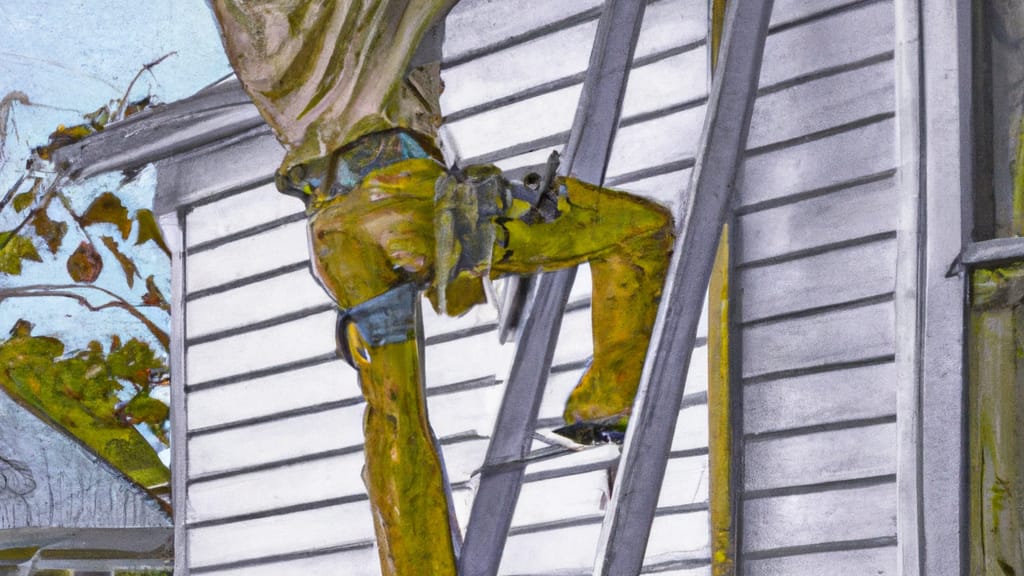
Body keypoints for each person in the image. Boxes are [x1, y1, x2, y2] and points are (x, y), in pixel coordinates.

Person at [209, 2, 673, 574]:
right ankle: (606, 398)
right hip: (408, 201)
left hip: (337, 228)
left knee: (394, 412)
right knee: (643, 231)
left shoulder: (250, 20)